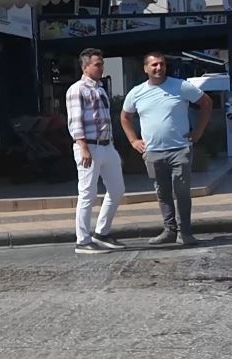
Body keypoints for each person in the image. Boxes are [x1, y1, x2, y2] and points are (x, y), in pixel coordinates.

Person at [121, 52, 212, 248]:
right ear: (145, 68)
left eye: (161, 64)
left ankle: (185, 232)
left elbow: (206, 103)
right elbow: (125, 117)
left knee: (181, 191)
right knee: (162, 192)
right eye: (153, 65)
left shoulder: (181, 86)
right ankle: (169, 230)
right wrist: (133, 140)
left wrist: (197, 132)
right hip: (153, 152)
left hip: (180, 149)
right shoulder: (136, 92)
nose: (158, 68)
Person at [65, 48, 125, 256]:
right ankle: (82, 240)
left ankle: (102, 232)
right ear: (85, 67)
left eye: (101, 64)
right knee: (87, 193)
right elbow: (75, 121)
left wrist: (112, 145)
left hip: (106, 145)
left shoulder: (100, 89)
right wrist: (83, 147)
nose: (101, 68)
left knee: (117, 189)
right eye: (97, 64)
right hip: (88, 146)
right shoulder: (77, 89)